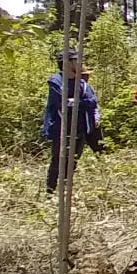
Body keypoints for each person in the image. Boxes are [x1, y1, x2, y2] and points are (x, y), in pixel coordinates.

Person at [43, 50, 98, 193]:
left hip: (81, 129)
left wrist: (74, 101)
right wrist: (79, 102)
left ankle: (65, 191)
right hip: (61, 129)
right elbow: (62, 102)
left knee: (72, 162)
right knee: (57, 162)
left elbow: (92, 102)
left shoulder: (82, 84)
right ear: (67, 63)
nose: (80, 64)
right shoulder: (56, 81)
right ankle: (50, 192)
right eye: (76, 60)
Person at [80, 67, 106, 153]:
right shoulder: (75, 89)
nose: (87, 77)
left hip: (92, 121)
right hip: (81, 122)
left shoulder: (89, 88)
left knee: (99, 146)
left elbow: (94, 104)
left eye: (87, 75)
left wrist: (96, 117)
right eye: (85, 75)